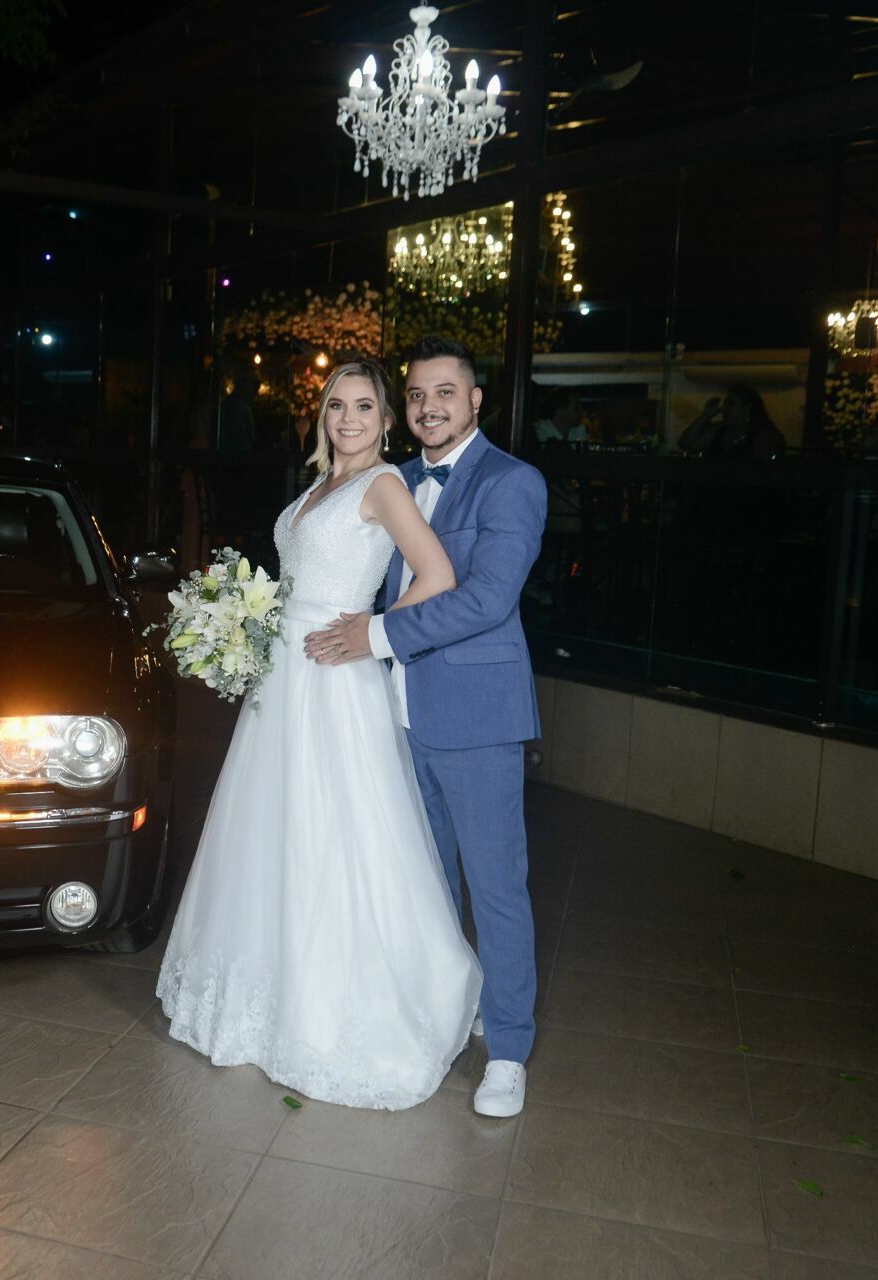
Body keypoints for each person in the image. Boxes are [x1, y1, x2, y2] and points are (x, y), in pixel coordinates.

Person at [155, 358, 483, 1111]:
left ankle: (341, 1007)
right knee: (272, 834)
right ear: (323, 415)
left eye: (365, 407)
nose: (349, 420)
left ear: (386, 420)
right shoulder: (314, 490)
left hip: (336, 680)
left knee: (339, 834)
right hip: (284, 682)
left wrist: (372, 630)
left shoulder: (384, 486)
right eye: (338, 406)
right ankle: (256, 1002)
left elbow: (436, 577)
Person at [303, 335, 547, 1119]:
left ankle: (507, 1048)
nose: (429, 407)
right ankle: (442, 1014)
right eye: (416, 396)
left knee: (495, 887)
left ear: (476, 401)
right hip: (389, 717)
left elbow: (485, 600)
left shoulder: (513, 483)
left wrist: (368, 637)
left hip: (475, 717)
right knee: (427, 885)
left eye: (445, 393)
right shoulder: (393, 479)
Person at [677, 384, 785, 459]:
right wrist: (705, 416)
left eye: (731, 404)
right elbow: (686, 444)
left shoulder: (764, 436)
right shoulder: (719, 431)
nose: (724, 409)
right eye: (725, 404)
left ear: (747, 408)